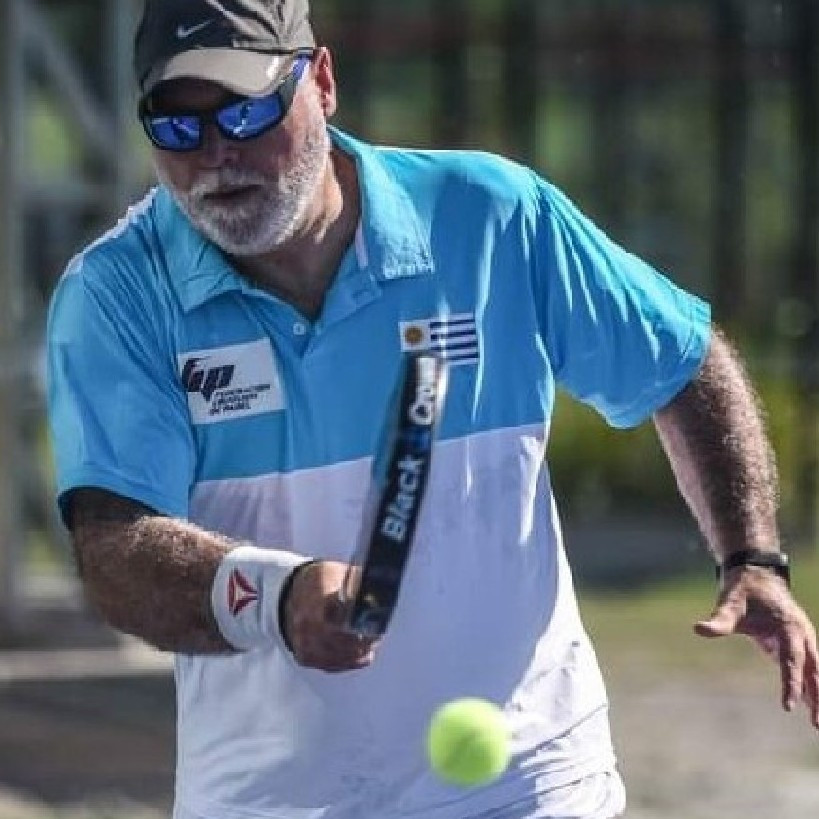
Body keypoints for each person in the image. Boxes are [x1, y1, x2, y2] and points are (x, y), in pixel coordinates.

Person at [46, 1, 819, 817]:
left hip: (532, 787)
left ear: (322, 82)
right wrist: (276, 595)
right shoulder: (114, 294)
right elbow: (116, 549)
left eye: (246, 112)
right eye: (178, 128)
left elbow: (681, 362)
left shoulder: (491, 214)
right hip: (270, 803)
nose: (216, 153)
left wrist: (751, 558)